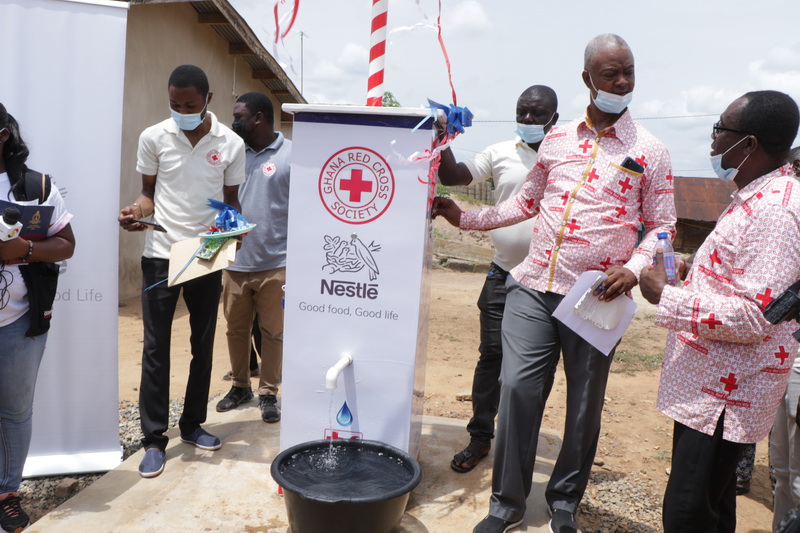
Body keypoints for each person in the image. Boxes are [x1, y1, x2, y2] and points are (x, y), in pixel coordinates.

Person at [433, 34, 675, 533]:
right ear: (588, 79)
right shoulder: (558, 140)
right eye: (612, 74)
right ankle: (506, 504)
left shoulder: (650, 151)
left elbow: (662, 226)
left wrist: (635, 267)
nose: (623, 82)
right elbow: (525, 203)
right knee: (518, 389)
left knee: (584, 403)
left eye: (629, 71)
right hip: (531, 286)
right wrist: (465, 219)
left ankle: (564, 501)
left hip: (596, 298)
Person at [640, 90, 800, 533]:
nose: (712, 143)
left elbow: (755, 316)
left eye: (719, 131)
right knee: (710, 505)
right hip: (713, 389)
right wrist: (694, 268)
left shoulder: (775, 210)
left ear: (747, 144)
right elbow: (749, 279)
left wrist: (665, 295)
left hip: (723, 395)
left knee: (689, 513)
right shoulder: (757, 195)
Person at [118, 65, 245, 478]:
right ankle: (153, 440)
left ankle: (191, 424)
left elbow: (232, 201)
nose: (181, 111)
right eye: (174, 104)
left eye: (189, 105)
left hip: (206, 254)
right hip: (160, 252)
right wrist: (136, 213)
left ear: (209, 99)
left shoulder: (231, 143)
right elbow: (147, 195)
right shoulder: (154, 136)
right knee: (155, 348)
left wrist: (233, 231)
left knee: (203, 343)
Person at [436, 85, 560, 474]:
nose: (527, 121)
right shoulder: (502, 151)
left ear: (554, 119)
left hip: (550, 282)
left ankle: (519, 440)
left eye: (536, 115)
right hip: (502, 271)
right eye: (521, 112)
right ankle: (479, 438)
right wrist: (442, 136)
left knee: (535, 368)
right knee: (492, 357)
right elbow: (455, 176)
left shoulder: (570, 156)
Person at [0, 103, 75, 532]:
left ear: (2, 135)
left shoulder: (35, 187)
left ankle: (7, 492)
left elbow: (65, 244)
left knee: (13, 410)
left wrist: (23, 250)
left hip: (19, 322)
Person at [214, 92, 289, 423]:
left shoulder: (291, 155)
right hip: (235, 263)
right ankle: (241, 386)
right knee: (236, 329)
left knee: (273, 332)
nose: (235, 122)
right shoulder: (232, 154)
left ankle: (269, 392)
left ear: (259, 118)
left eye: (240, 116)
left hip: (276, 262)